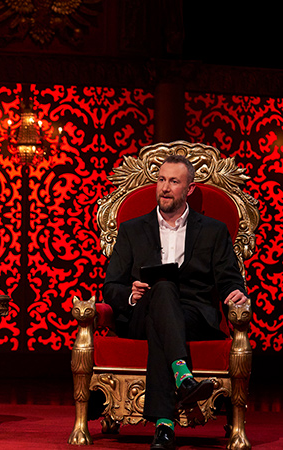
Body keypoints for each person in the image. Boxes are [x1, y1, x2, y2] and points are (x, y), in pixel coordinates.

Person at [102, 154, 249, 450]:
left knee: (163, 324)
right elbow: (110, 286)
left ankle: (165, 425)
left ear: (189, 189)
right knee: (163, 289)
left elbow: (230, 278)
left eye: (173, 181)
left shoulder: (213, 230)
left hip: (194, 317)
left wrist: (236, 293)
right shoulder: (132, 229)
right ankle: (182, 376)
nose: (164, 188)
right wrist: (131, 293)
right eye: (160, 180)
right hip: (142, 314)